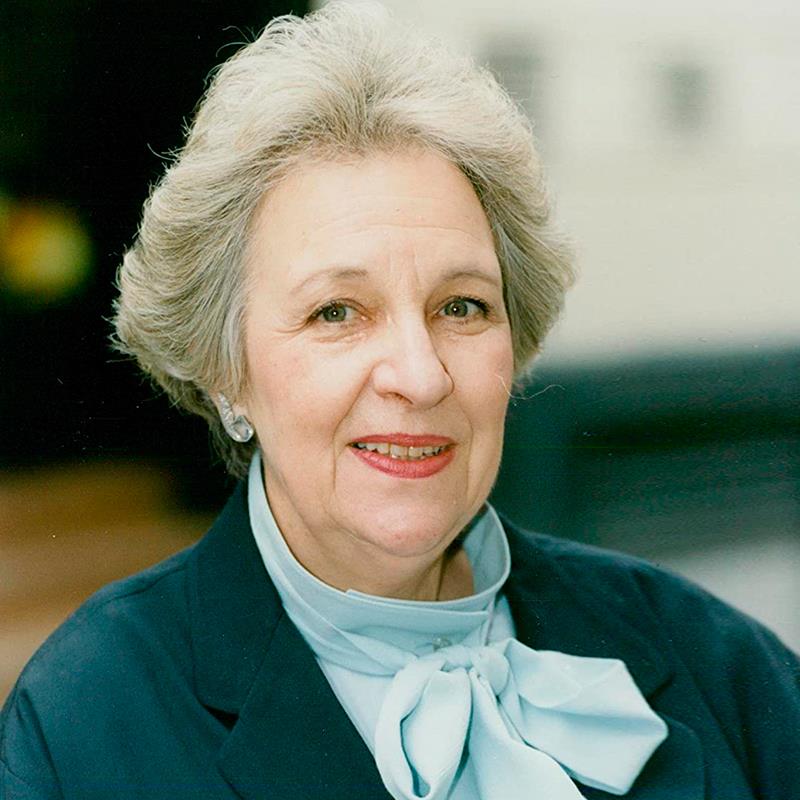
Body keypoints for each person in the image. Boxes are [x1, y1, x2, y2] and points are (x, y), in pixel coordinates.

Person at [2, 3, 798, 798]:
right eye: (336, 313)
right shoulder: (85, 723)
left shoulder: (715, 663)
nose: (420, 377)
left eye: (462, 306)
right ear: (224, 370)